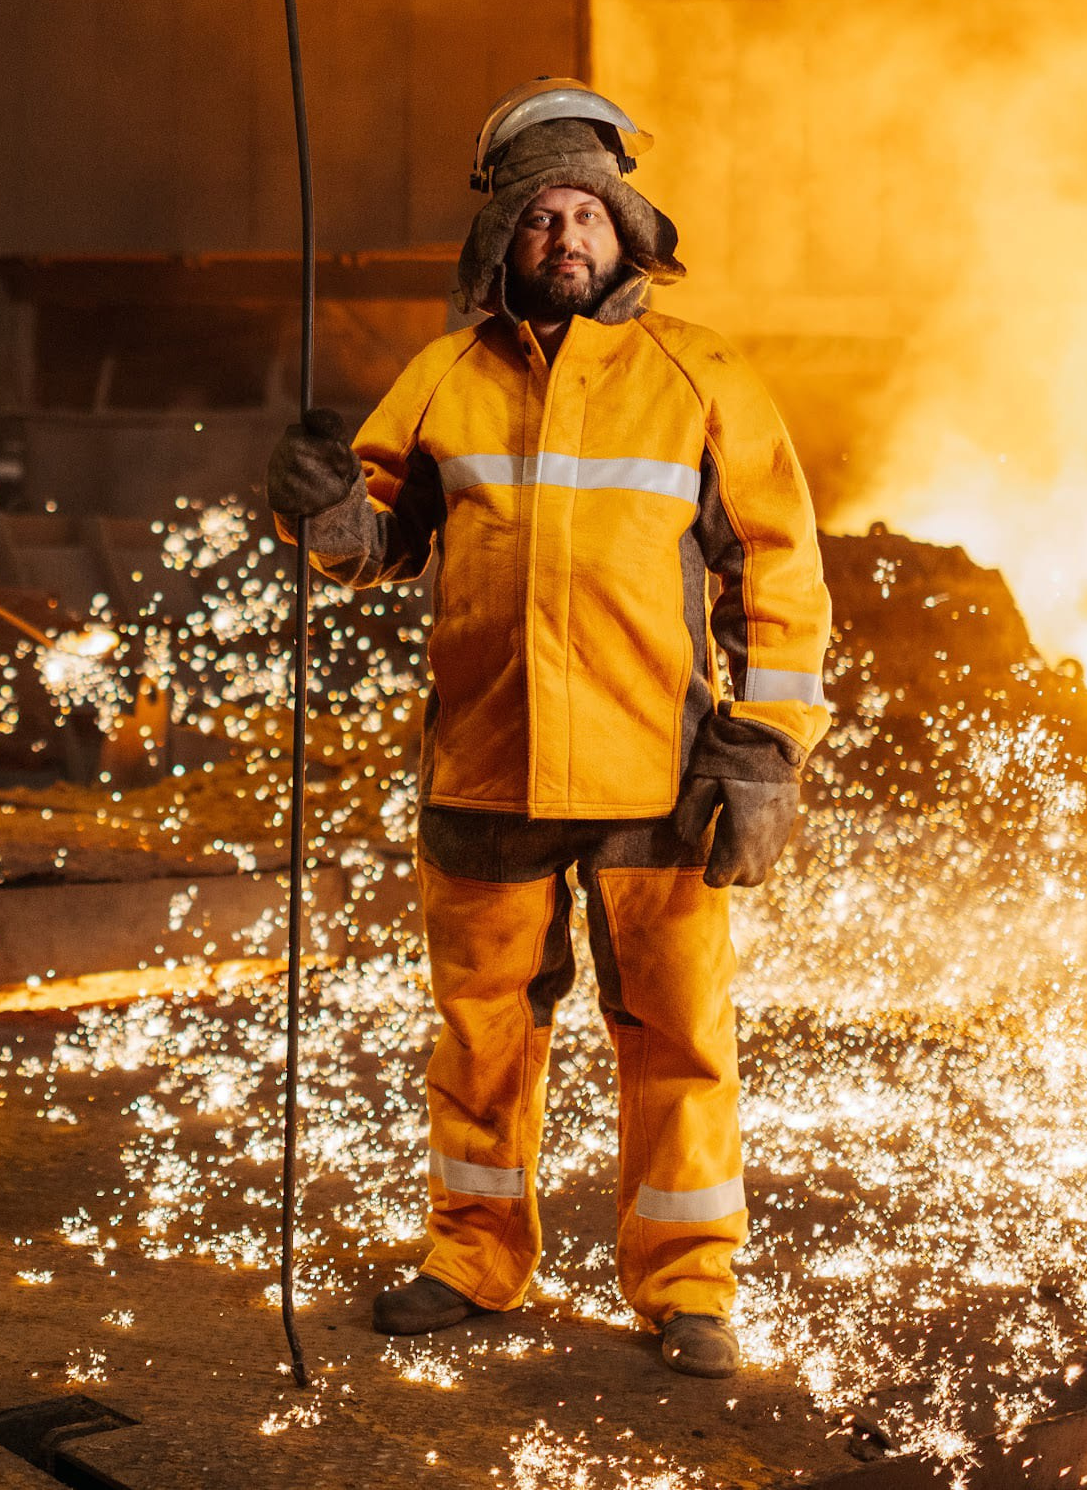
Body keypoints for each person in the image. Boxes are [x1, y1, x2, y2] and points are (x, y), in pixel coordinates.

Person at [266, 80, 832, 1378]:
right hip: (485, 770)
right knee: (480, 1036)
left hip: (656, 778)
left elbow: (776, 572)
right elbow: (373, 543)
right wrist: (319, 505)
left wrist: (763, 747)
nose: (564, 235)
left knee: (678, 1037)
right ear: (502, 237)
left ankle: (687, 1284)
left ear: (625, 228)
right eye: (539, 216)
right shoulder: (441, 379)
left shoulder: (701, 373)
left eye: (586, 212)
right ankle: (472, 1255)